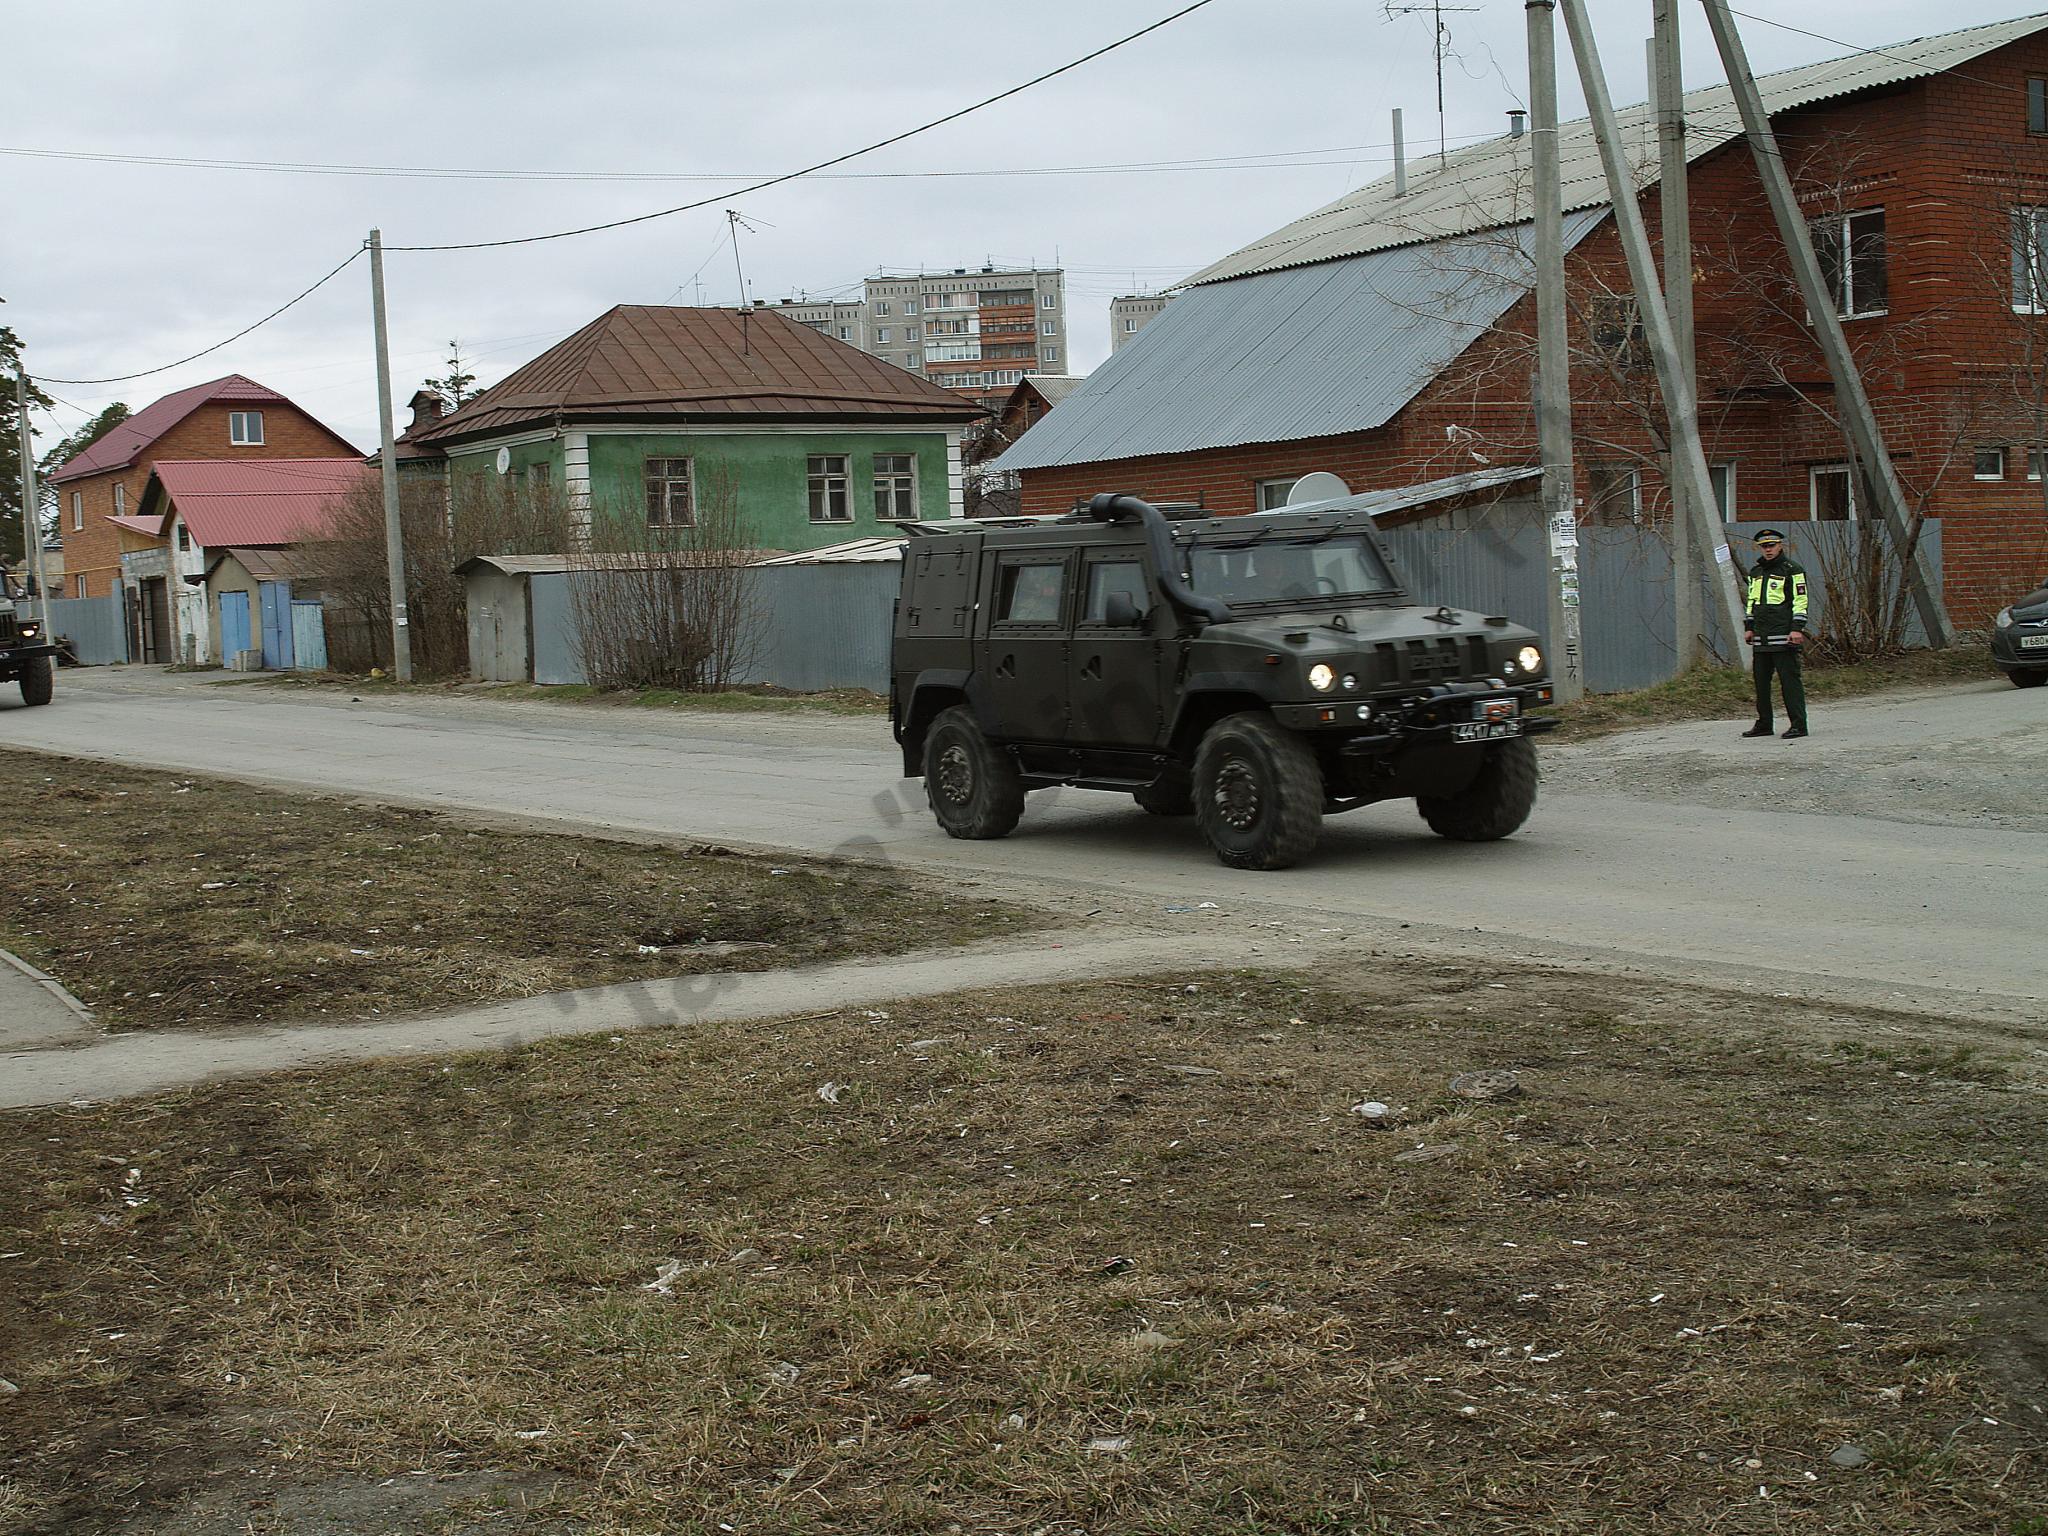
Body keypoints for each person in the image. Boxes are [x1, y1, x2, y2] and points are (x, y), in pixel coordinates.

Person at [1741, 529, 1810, 739]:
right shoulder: (1756, 572)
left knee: (1790, 682)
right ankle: (1764, 723)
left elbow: (1800, 601)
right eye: (1764, 546)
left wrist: (1797, 629)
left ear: (1780, 545)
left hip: (1784, 636)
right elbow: (1752, 601)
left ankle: (1798, 724)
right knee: (1760, 683)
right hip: (1761, 636)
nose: (1768, 550)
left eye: (1772, 545)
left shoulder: (1792, 570)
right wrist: (1749, 627)